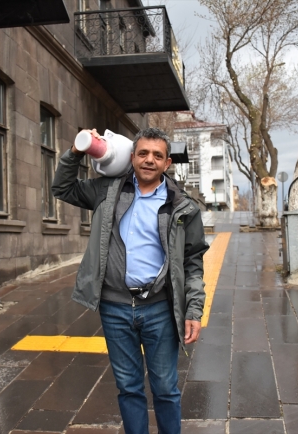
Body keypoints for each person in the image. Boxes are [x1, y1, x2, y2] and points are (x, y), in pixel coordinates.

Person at [52, 127, 208, 434]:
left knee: (165, 388)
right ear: (132, 156)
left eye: (157, 155)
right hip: (114, 308)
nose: (149, 160)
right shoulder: (106, 191)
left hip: (160, 309)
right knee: (128, 387)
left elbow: (193, 262)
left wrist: (193, 310)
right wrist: (77, 151)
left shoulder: (183, 206)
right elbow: (62, 188)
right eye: (143, 153)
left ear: (167, 163)